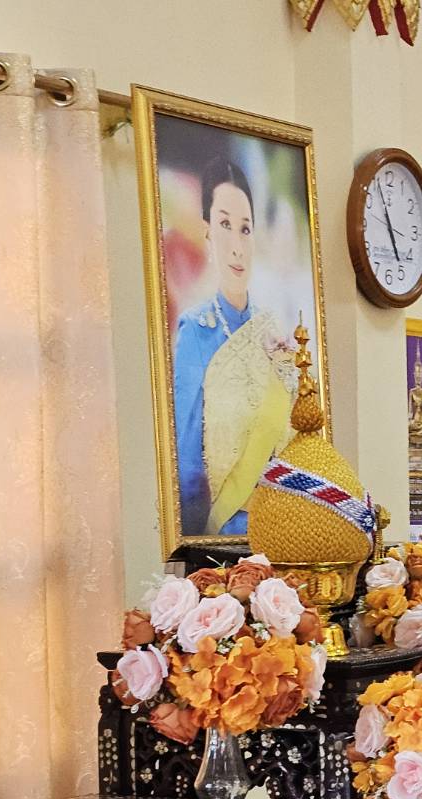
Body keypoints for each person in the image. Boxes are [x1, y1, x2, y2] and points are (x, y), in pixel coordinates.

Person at [172, 157, 297, 537]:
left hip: (286, 529)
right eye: (225, 225)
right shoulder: (196, 331)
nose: (237, 246)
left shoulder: (274, 333)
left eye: (245, 229)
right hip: (226, 536)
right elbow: (188, 466)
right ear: (207, 232)